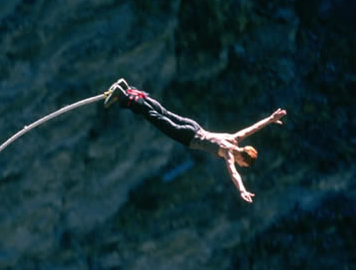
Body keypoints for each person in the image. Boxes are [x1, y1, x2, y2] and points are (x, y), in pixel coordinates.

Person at [104, 79, 287, 203]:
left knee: (163, 112)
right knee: (154, 117)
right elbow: (233, 173)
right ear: (243, 159)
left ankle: (129, 89)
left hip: (194, 126)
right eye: (243, 165)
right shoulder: (229, 153)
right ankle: (124, 95)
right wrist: (241, 190)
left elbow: (252, 128)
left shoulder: (235, 139)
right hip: (186, 136)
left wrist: (271, 119)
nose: (239, 166)